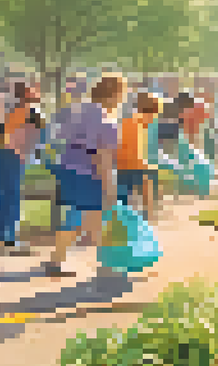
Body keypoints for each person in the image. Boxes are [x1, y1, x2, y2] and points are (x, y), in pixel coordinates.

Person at [44, 74, 124, 279]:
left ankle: (56, 261)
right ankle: (107, 267)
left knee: (77, 216)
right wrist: (110, 187)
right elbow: (102, 158)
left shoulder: (79, 111)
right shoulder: (107, 121)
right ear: (114, 95)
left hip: (67, 168)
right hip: (87, 173)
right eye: (121, 94)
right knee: (95, 218)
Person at [0, 81, 44, 275]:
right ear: (26, 93)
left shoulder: (16, 110)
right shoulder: (29, 110)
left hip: (9, 154)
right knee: (11, 197)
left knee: (10, 196)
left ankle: (5, 238)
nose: (36, 91)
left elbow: (7, 134)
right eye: (32, 89)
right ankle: (1, 239)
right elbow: (35, 132)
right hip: (13, 155)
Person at [116, 91, 162, 222]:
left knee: (149, 175)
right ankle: (147, 220)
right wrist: (147, 166)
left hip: (125, 167)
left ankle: (144, 218)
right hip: (123, 168)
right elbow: (132, 156)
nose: (155, 118)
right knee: (149, 176)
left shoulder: (137, 123)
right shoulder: (134, 124)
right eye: (155, 114)